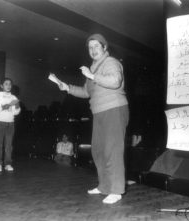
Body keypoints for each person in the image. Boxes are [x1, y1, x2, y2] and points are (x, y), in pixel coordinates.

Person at [58, 33, 129, 204]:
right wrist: (67, 87)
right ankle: (105, 186)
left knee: (113, 150)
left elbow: (115, 81)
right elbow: (86, 92)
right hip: (99, 112)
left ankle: (116, 190)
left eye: (97, 46)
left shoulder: (111, 62)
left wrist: (91, 76)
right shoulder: (93, 68)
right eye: (90, 47)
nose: (93, 50)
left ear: (105, 48)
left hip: (114, 108)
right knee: (97, 150)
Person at [0, 78, 20, 172]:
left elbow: (16, 113)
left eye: (10, 84)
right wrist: (2, 107)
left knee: (9, 145)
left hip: (10, 123)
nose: (8, 86)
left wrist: (16, 107)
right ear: (1, 86)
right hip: (0, 122)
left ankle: (8, 163)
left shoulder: (14, 98)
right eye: (6, 84)